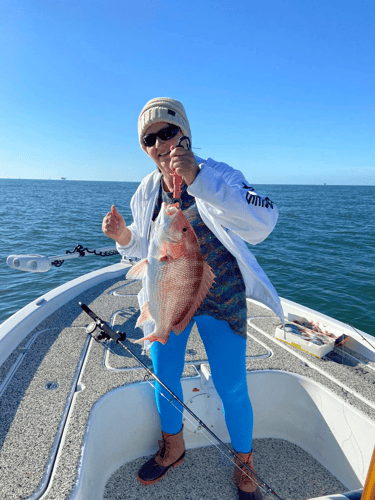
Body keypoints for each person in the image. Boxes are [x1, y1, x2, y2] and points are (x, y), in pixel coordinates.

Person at [102, 97, 284, 500]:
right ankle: (174, 445)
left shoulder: (220, 174)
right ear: (144, 148)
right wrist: (124, 238)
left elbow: (264, 220)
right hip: (170, 293)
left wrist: (199, 178)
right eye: (150, 139)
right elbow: (146, 248)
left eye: (168, 131)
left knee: (232, 384)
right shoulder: (147, 190)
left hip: (223, 298)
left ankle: (245, 460)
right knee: (163, 374)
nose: (161, 143)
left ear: (185, 132)